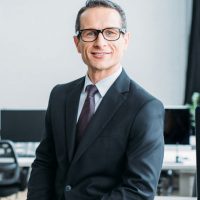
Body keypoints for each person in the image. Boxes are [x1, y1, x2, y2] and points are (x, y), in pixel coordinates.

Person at [27, 0, 164, 199]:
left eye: (110, 32)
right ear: (77, 43)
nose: (100, 43)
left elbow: (138, 190)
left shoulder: (145, 108)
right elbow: (44, 163)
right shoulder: (59, 96)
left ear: (125, 40)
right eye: (90, 33)